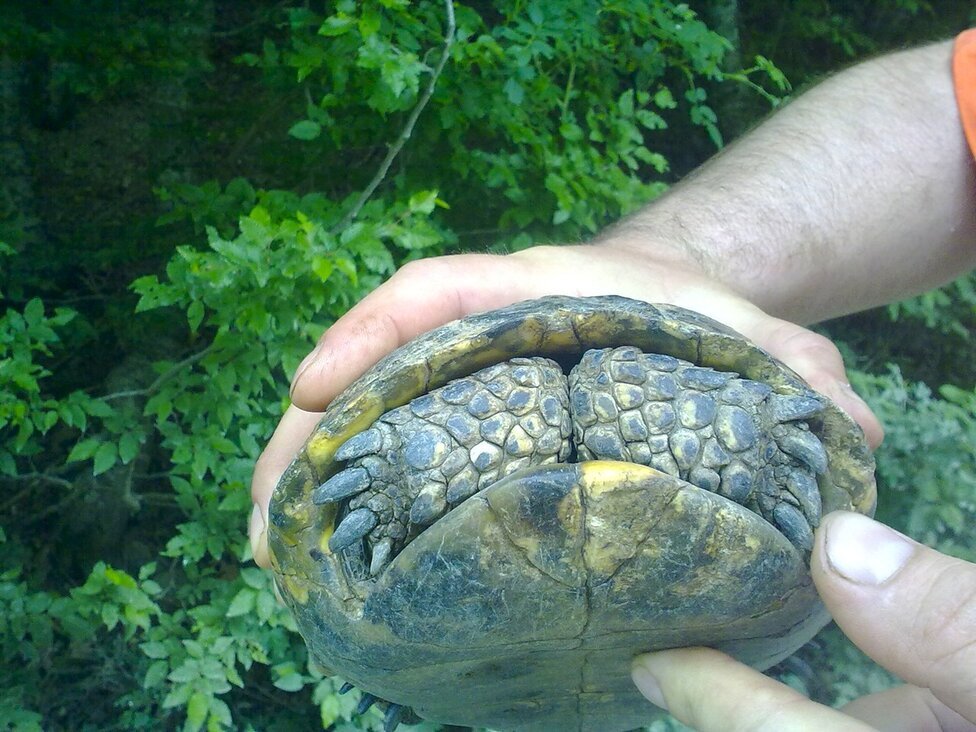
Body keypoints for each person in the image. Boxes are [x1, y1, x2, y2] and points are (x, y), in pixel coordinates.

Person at [251, 31, 976, 731]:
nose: (573, 384)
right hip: (584, 677)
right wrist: (676, 254)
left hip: (486, 680)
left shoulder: (545, 399)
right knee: (715, 429)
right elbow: (955, 92)